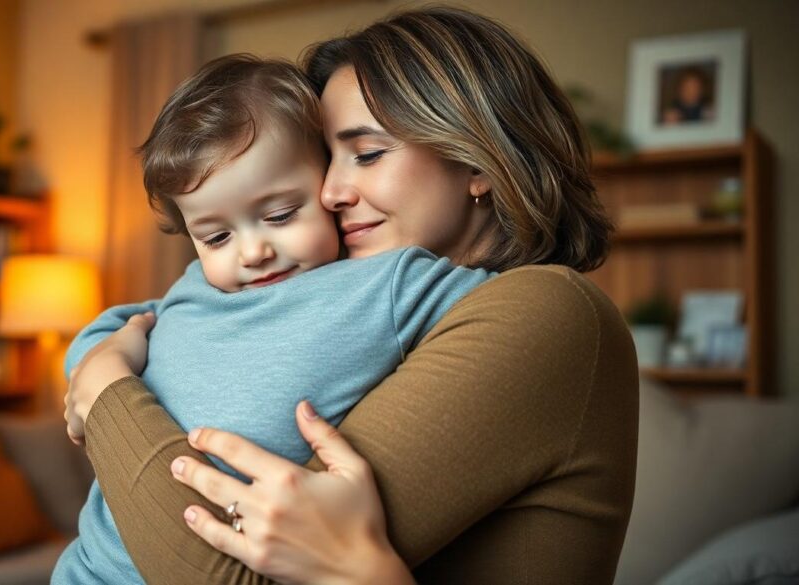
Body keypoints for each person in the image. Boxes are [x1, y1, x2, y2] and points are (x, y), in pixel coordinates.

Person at [65, 6, 638, 584]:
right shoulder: (361, 305)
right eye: (327, 161)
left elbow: (221, 573)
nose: (332, 192)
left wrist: (107, 387)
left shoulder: (548, 309)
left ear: (476, 158)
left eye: (367, 154)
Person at [52, 54, 494, 585]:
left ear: (319, 182)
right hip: (90, 569)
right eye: (216, 236)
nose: (253, 251)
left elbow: (512, 303)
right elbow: (113, 331)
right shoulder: (199, 282)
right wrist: (104, 357)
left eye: (281, 215)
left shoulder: (388, 282)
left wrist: (104, 392)